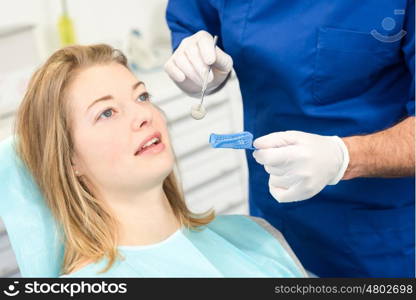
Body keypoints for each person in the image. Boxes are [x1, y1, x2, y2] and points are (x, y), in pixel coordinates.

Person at [164, 0, 415, 277]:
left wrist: (344, 157)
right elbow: (195, 23)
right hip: (274, 206)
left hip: (382, 230)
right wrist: (196, 62)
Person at [13, 44, 307, 277]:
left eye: (142, 97)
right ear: (68, 160)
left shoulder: (256, 237)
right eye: (106, 112)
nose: (144, 115)